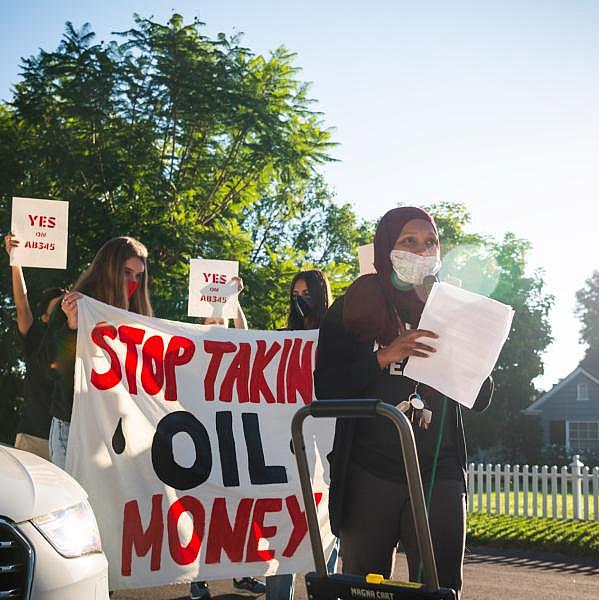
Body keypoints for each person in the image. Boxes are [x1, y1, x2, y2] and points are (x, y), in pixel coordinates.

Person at [313, 207, 494, 599]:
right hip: (368, 471)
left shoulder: (450, 308)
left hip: (438, 474)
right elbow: (325, 388)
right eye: (408, 242)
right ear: (385, 248)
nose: (421, 251)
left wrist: (463, 331)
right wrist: (382, 356)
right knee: (363, 587)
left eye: (430, 243)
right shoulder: (351, 309)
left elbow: (480, 397)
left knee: (440, 588)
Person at [47, 236, 153, 469]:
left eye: (138, 276)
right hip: (73, 430)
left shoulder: (136, 320)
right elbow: (53, 369)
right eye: (126, 273)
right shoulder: (71, 307)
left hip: (117, 434)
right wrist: (72, 328)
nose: (133, 282)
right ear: (108, 269)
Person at [191, 276, 265, 599]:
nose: (217, 324)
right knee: (205, 510)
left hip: (231, 439)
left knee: (237, 510)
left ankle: (241, 575)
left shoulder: (234, 348)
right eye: (210, 320)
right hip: (202, 441)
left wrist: (232, 300)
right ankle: (198, 580)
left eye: (220, 320)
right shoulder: (192, 350)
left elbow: (244, 334)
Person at [266, 269, 336, 600]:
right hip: (288, 451)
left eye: (306, 294)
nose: (300, 301)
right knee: (284, 538)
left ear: (321, 296)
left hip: (326, 448)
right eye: (295, 295)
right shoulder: (282, 338)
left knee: (324, 534)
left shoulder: (337, 338)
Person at [4, 233, 65, 460]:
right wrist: (15, 260)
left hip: (68, 439)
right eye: (56, 308)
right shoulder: (36, 340)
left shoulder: (80, 344)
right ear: (44, 318)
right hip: (34, 438)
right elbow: (22, 305)